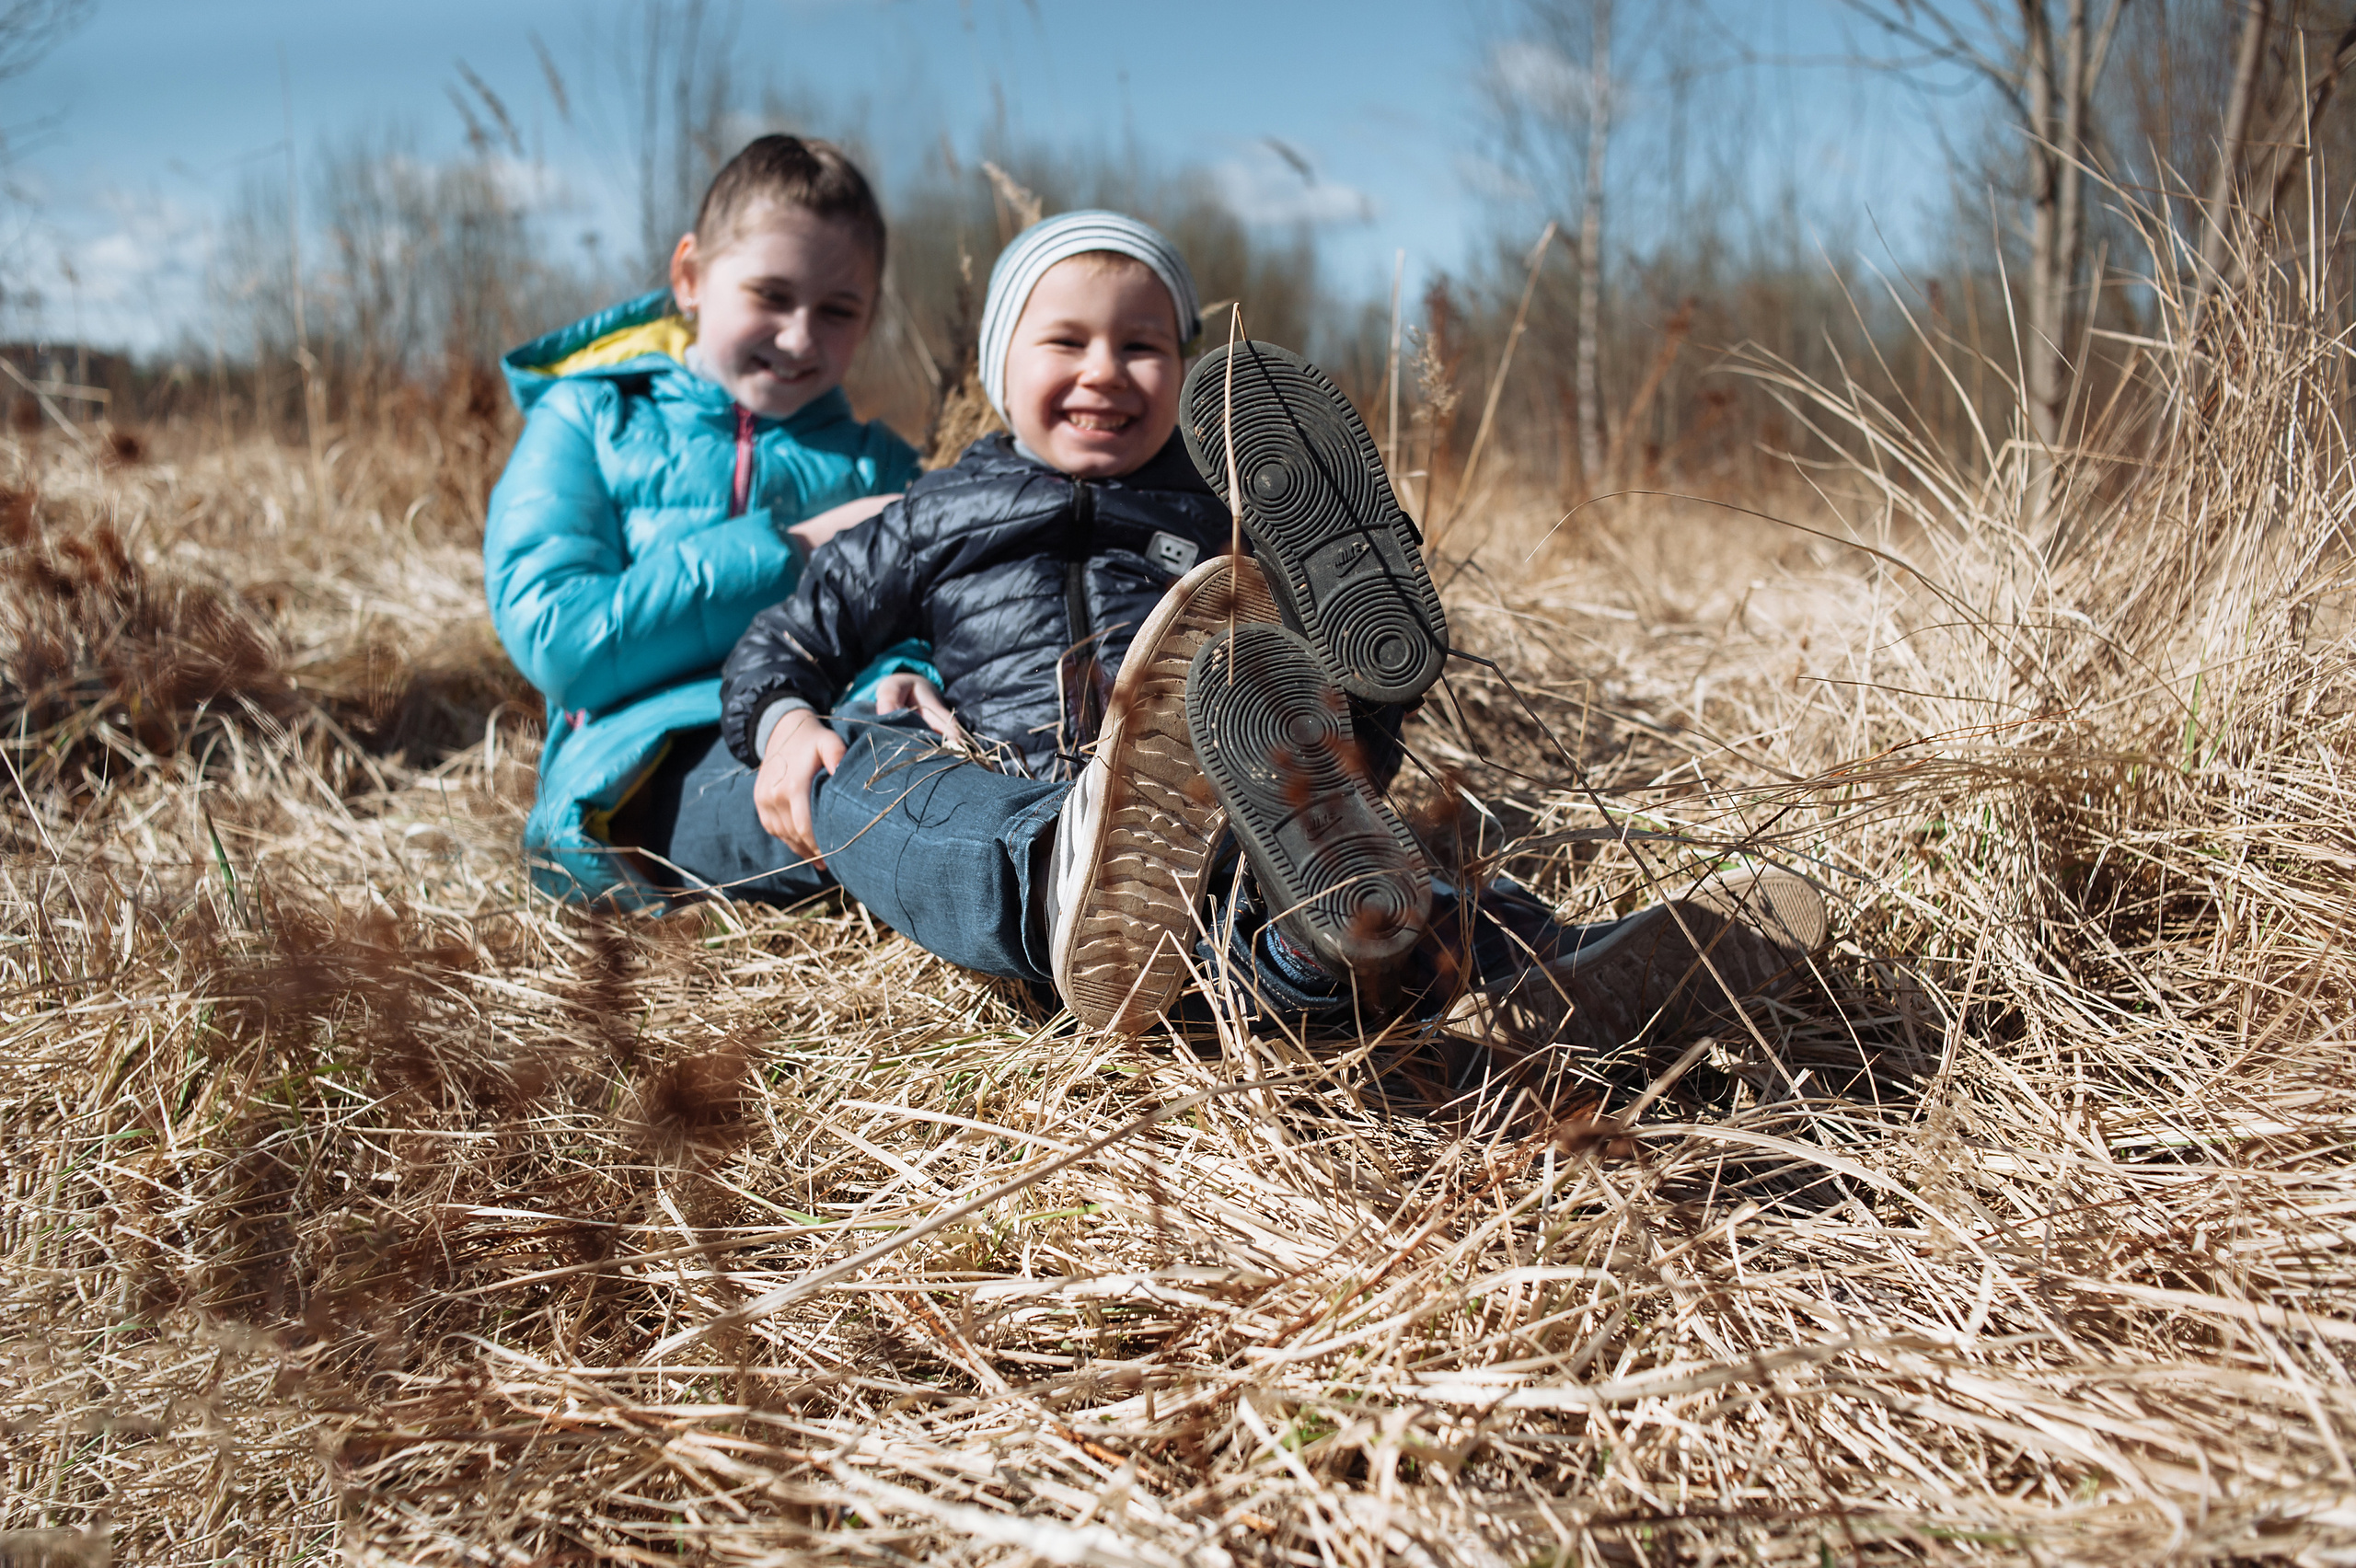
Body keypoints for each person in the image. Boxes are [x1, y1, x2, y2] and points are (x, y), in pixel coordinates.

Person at [719, 209, 1829, 1046]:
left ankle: (1505, 963)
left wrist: (1352, 696)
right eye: (1065, 342)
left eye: (1143, 345)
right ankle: (1076, 873)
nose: (1105, 369)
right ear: (997, 367)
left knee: (1319, 822)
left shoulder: (1218, 514)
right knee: (872, 769)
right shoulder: (934, 517)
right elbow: (793, 633)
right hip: (1024, 813)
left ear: (1184, 366)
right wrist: (781, 720)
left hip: (1204, 818)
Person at [484, 134, 935, 907]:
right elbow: (564, 640)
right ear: (690, 276)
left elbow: (935, 627)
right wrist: (792, 549)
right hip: (648, 763)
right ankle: (1026, 876)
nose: (799, 338)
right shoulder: (588, 420)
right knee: (847, 787)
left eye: (837, 311)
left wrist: (911, 674)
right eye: (769, 296)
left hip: (843, 723)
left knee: (921, 748)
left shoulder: (879, 466)